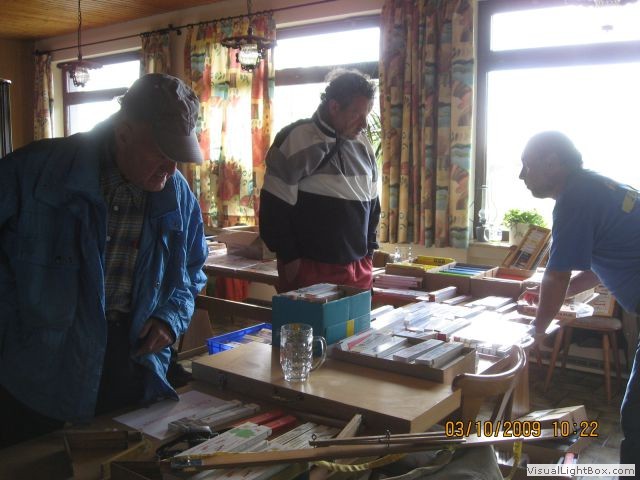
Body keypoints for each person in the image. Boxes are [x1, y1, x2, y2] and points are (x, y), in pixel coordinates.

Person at [0, 73, 208, 447]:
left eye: (177, 157)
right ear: (124, 132)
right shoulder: (34, 171)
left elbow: (192, 269)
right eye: (162, 153)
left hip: (130, 356)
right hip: (37, 359)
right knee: (32, 462)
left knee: (117, 460)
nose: (171, 169)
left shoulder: (177, 194)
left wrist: (171, 316)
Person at [518, 131, 640, 473]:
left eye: (527, 165)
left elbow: (555, 276)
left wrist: (537, 330)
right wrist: (547, 298)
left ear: (552, 163)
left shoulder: (574, 198)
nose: (521, 175)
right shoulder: (593, 187)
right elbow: (596, 269)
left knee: (636, 417)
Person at [259, 69, 380, 293]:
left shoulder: (364, 146)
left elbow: (373, 207)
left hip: (358, 269)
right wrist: (292, 261)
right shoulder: (296, 138)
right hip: (310, 269)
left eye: (367, 114)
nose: (364, 124)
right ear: (334, 107)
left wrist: (369, 254)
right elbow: (273, 209)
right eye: (356, 114)